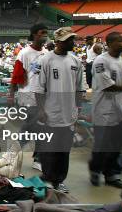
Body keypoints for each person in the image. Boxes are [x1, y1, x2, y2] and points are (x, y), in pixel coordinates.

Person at [34, 27, 83, 193]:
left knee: (64, 149)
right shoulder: (45, 60)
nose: (72, 42)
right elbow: (39, 88)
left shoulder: (76, 62)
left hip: (69, 113)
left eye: (72, 39)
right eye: (69, 39)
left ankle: (59, 179)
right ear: (58, 42)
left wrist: (78, 108)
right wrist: (41, 109)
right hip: (51, 112)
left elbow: (79, 88)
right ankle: (48, 177)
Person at [89, 32, 122, 189]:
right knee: (102, 145)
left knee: (117, 144)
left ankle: (111, 174)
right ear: (110, 43)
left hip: (121, 109)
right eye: (121, 40)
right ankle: (95, 170)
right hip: (104, 110)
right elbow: (108, 85)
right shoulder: (101, 61)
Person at [9, 23, 48, 171]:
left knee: (39, 128)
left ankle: (35, 157)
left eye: (46, 32)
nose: (44, 34)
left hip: (42, 97)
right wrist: (11, 96)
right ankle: (16, 154)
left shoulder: (46, 53)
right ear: (33, 35)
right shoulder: (24, 53)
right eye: (41, 32)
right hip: (28, 95)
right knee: (31, 127)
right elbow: (16, 76)